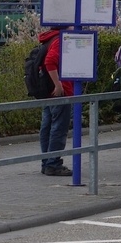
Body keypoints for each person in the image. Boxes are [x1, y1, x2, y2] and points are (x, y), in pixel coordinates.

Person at [38, 26, 72, 176]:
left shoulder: (48, 38)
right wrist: (58, 84)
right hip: (59, 91)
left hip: (47, 91)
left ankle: (46, 161)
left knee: (47, 127)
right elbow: (50, 61)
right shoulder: (60, 40)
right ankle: (53, 163)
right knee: (58, 128)